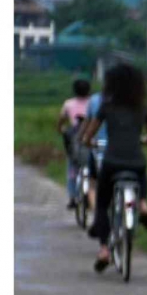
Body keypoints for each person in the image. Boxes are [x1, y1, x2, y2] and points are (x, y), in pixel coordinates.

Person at [80, 64, 147, 272]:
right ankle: (143, 204)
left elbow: (89, 135)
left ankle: (104, 250)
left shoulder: (107, 106)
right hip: (136, 160)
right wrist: (145, 140)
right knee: (142, 174)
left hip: (112, 162)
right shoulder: (142, 108)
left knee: (102, 204)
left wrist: (88, 142)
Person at [55, 78, 93, 208]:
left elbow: (61, 120)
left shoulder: (68, 104)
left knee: (72, 166)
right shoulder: (93, 103)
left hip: (75, 137)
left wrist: (61, 129)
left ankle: (72, 197)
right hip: (92, 135)